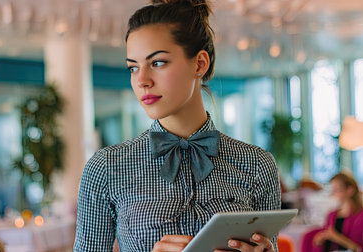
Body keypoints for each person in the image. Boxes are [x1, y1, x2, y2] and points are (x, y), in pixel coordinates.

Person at [74, 0, 281, 251]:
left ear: (199, 64)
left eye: (158, 62)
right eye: (133, 67)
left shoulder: (258, 164)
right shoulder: (106, 168)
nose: (142, 81)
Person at [301, 173, 363, 252]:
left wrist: (336, 237)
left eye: (337, 190)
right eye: (333, 190)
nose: (333, 194)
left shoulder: (360, 217)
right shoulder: (332, 215)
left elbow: (358, 249)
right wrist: (319, 242)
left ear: (350, 190)